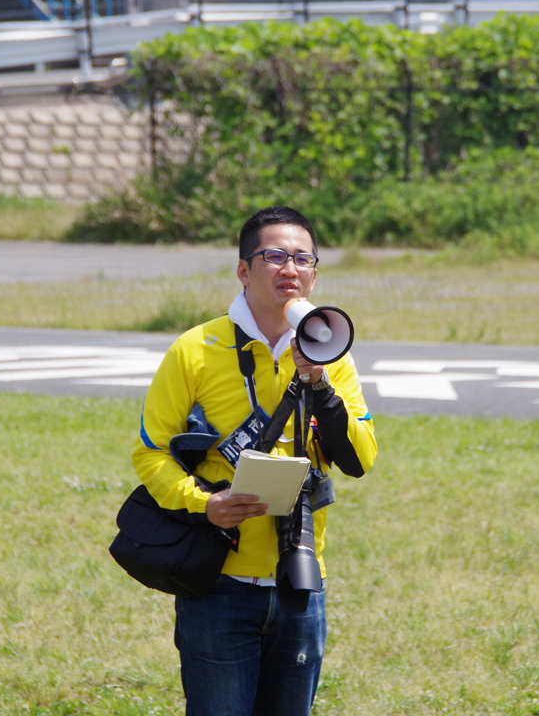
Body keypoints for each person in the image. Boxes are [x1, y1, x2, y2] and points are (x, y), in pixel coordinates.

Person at [132, 206, 377, 716]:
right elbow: (151, 451)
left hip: (300, 579)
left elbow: (359, 458)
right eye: (274, 256)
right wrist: (203, 503)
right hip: (219, 581)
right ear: (244, 270)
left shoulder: (330, 349)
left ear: (314, 273)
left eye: (303, 258)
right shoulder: (196, 349)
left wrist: (321, 384)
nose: (290, 268)